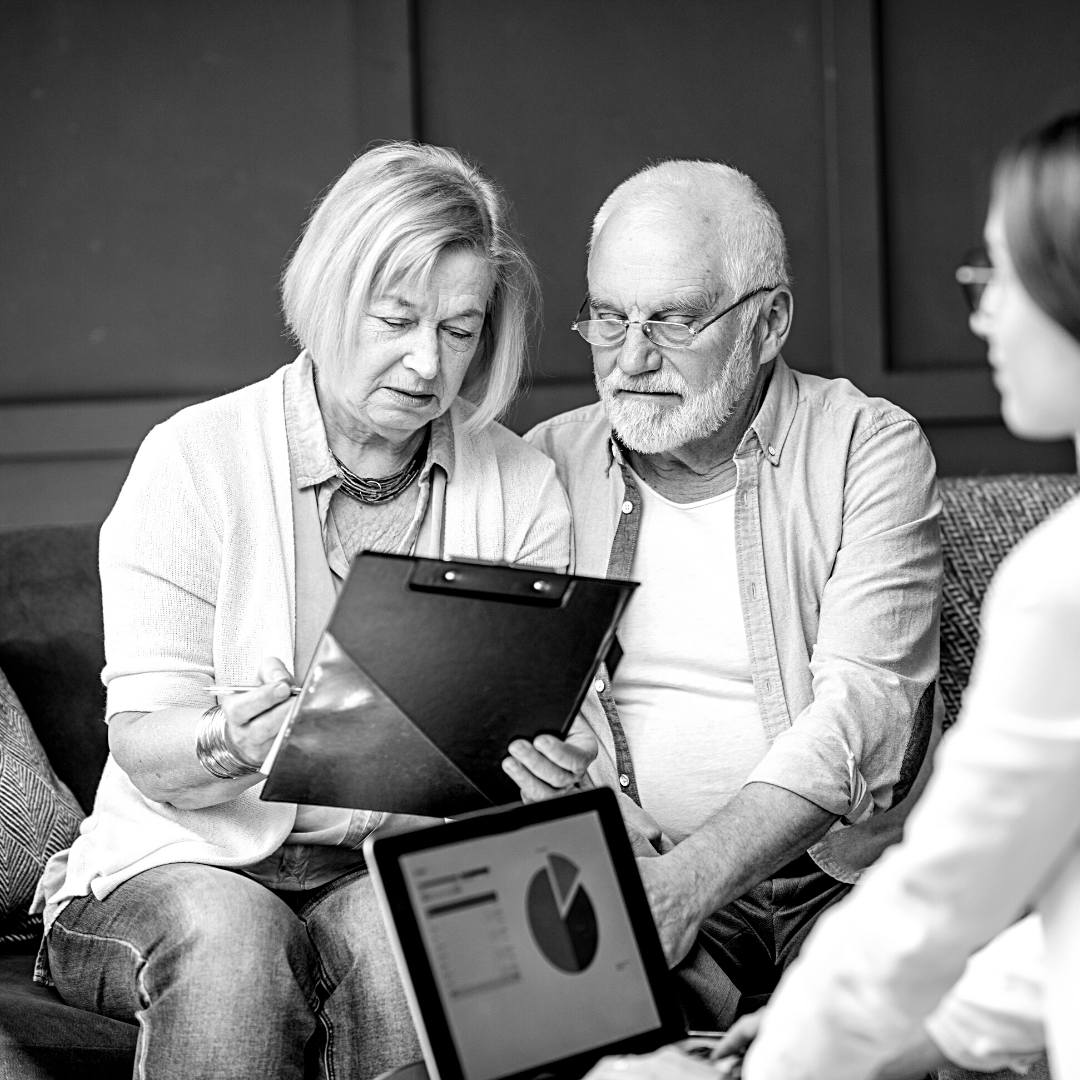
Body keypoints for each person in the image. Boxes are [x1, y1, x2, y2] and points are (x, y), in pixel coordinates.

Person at [30, 142, 586, 1080]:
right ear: (330, 297)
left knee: (432, 946)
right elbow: (142, 745)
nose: (427, 364)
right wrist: (229, 743)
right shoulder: (194, 460)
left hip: (384, 866)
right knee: (234, 942)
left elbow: (548, 737)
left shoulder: (520, 485)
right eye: (397, 319)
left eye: (459, 331)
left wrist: (555, 767)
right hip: (181, 859)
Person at [521, 160, 943, 1029]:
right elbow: (512, 702)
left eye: (672, 320)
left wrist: (691, 883)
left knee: (867, 1043)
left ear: (769, 321)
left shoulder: (869, 446)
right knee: (551, 1041)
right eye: (609, 318)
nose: (631, 359)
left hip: (842, 877)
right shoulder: (546, 464)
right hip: (629, 864)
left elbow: (869, 708)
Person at [740, 110, 1080, 1080]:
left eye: (1004, 276)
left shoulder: (1062, 587)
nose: (981, 315)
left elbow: (939, 901)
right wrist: (927, 1039)